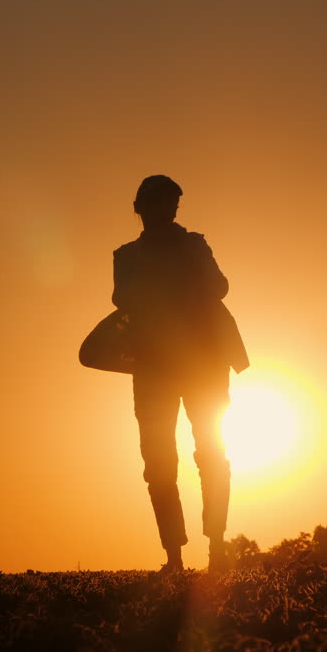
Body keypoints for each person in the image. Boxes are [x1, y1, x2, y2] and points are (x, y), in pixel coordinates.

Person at [111, 175, 248, 573]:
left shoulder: (194, 245)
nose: (168, 212)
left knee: (211, 453)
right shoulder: (126, 256)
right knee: (158, 462)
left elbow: (220, 286)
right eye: (160, 205)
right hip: (153, 367)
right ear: (141, 209)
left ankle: (217, 546)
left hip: (204, 362)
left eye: (173, 205)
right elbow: (122, 299)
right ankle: (174, 555)